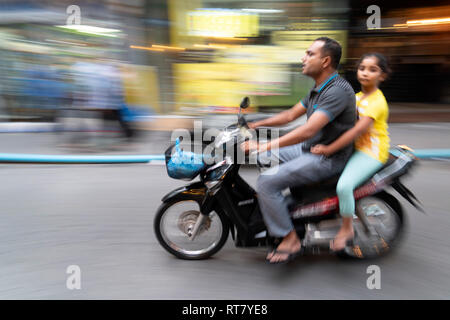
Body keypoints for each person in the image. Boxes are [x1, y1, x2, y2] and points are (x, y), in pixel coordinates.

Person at [241, 37, 356, 264]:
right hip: (309, 148)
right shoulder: (318, 89)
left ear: (325, 61)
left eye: (309, 54)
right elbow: (289, 116)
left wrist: (262, 144)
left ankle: (290, 238)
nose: (303, 58)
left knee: (266, 181)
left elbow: (307, 130)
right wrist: (255, 124)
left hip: (327, 157)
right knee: (262, 158)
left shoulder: (337, 91)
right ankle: (279, 206)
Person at [311, 53, 391, 251]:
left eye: (372, 70)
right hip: (354, 148)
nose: (365, 73)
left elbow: (356, 130)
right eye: (362, 68)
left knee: (344, 186)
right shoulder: (356, 97)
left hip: (370, 153)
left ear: (382, 76)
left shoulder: (377, 103)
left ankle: (347, 228)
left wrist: (329, 148)